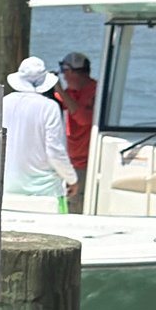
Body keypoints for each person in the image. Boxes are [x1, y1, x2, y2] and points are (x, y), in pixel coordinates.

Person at [3, 56, 78, 205]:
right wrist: (72, 179)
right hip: (46, 193)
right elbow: (55, 151)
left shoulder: (4, 102)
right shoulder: (49, 107)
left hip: (7, 188)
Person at [56, 50, 96, 211]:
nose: (64, 77)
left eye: (65, 72)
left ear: (74, 72)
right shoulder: (71, 93)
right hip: (70, 161)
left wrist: (59, 89)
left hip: (87, 163)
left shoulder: (95, 91)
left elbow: (84, 119)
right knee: (69, 203)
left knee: (78, 207)